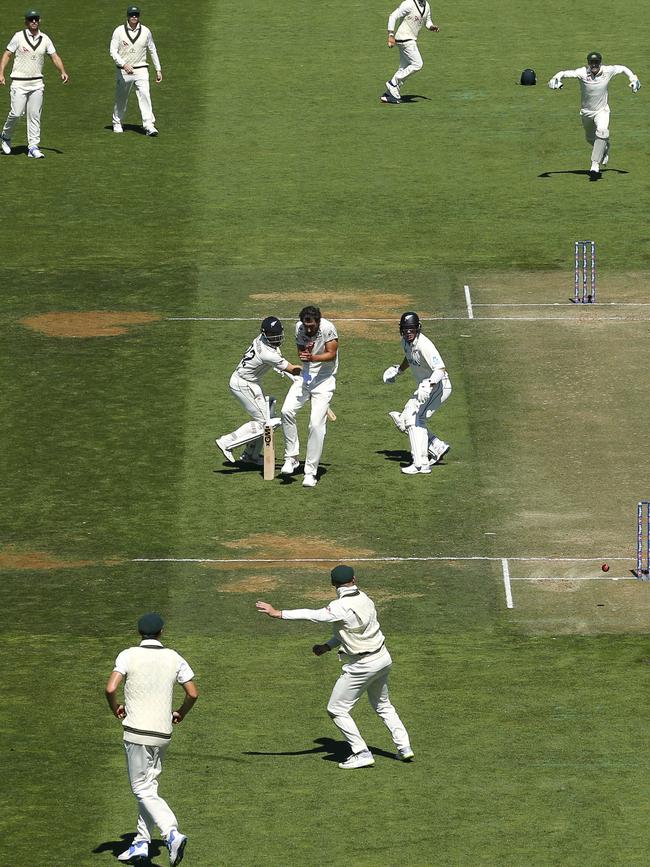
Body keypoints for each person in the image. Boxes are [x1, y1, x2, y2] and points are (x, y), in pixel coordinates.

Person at [256, 565, 414, 769]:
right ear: (354, 580)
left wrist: (278, 613)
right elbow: (350, 629)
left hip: (362, 665)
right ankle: (405, 748)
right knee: (383, 705)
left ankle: (361, 752)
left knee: (336, 709)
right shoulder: (365, 598)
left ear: (333, 584)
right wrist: (327, 646)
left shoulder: (339, 607)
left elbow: (312, 615)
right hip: (383, 658)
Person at [105, 612, 198, 866]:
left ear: (139, 633)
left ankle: (171, 833)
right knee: (150, 786)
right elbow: (192, 693)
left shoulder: (128, 654)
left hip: (137, 732)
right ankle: (141, 843)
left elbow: (111, 688)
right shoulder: (174, 657)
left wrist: (115, 708)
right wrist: (180, 713)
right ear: (162, 633)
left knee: (140, 788)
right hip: (163, 733)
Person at [215, 316, 301, 466]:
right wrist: (309, 376)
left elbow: (281, 364)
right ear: (266, 334)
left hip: (251, 382)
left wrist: (294, 377)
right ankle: (227, 441)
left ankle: (250, 456)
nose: (276, 338)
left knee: (265, 421)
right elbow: (292, 368)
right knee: (265, 424)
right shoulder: (267, 353)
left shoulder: (263, 340)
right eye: (273, 335)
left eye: (277, 334)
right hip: (243, 384)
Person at [548, 52, 640, 180]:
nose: (594, 65)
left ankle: (594, 165)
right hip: (586, 112)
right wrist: (555, 79)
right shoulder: (582, 72)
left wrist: (634, 79)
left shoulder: (608, 71)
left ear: (600, 62)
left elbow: (623, 68)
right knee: (590, 139)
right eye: (592, 62)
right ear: (588, 63)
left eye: (596, 62)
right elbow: (564, 73)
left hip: (602, 111)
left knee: (602, 132)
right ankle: (605, 148)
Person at [383, 311, 452, 475]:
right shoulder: (406, 343)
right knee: (406, 419)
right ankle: (436, 446)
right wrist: (398, 371)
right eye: (405, 329)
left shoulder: (425, 345)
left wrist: (429, 384)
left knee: (413, 419)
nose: (408, 332)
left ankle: (421, 464)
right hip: (425, 387)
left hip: (438, 386)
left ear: (417, 328)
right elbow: (409, 357)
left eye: (411, 329)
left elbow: (440, 369)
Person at [280, 306, 338, 488]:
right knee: (286, 411)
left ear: (318, 322)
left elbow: (332, 353)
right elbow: (300, 351)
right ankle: (292, 458)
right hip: (305, 376)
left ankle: (310, 473)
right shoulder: (299, 328)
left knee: (315, 424)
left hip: (325, 380)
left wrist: (314, 358)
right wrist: (304, 357)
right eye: (306, 326)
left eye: (312, 326)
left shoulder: (328, 328)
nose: (309, 329)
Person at [0, 9, 69, 159]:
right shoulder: (18, 37)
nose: (34, 21)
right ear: (26, 22)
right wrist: (1, 73)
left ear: (39, 21)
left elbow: (54, 56)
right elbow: (7, 54)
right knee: (16, 113)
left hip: (37, 83)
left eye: (36, 19)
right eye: (31, 19)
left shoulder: (45, 39)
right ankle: (5, 136)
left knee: (34, 115)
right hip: (19, 83)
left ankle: (33, 146)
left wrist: (62, 71)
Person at [110, 5, 162, 136]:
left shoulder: (146, 31)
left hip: (141, 69)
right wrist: (123, 64)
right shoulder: (119, 31)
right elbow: (112, 51)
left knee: (145, 95)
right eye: (132, 15)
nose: (134, 17)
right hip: (123, 71)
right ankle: (117, 123)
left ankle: (149, 125)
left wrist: (158, 69)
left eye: (136, 15)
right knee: (121, 98)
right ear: (127, 16)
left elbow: (152, 50)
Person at [381, 0, 439, 104]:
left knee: (404, 67)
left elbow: (427, 21)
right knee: (418, 64)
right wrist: (390, 35)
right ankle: (393, 83)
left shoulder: (427, 5)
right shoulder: (408, 3)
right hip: (405, 39)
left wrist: (431, 27)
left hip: (409, 39)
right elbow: (393, 16)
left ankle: (389, 95)